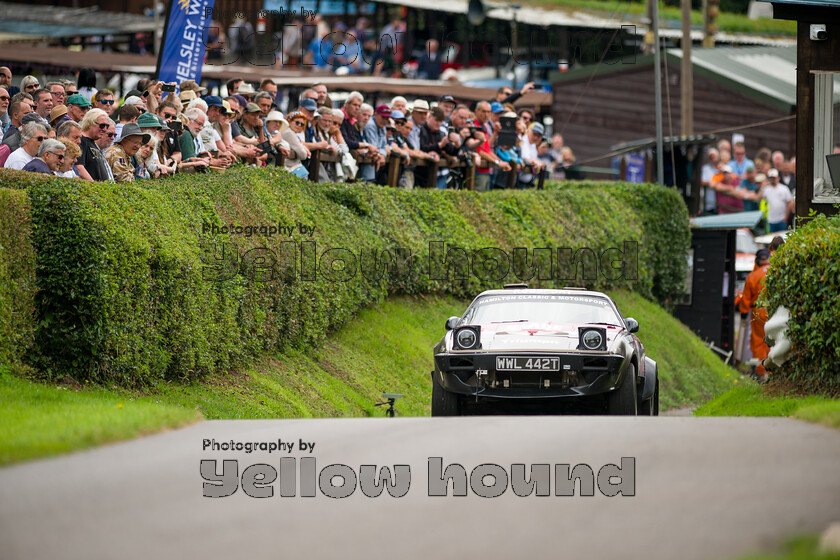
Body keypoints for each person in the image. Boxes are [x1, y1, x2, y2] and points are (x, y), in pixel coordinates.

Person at [738, 249, 771, 382]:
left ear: (757, 260)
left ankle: (761, 372)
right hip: (774, 311)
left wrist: (744, 314)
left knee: (758, 341)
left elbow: (745, 299)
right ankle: (773, 370)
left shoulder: (753, 276)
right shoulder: (776, 272)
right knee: (772, 341)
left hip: (758, 311)